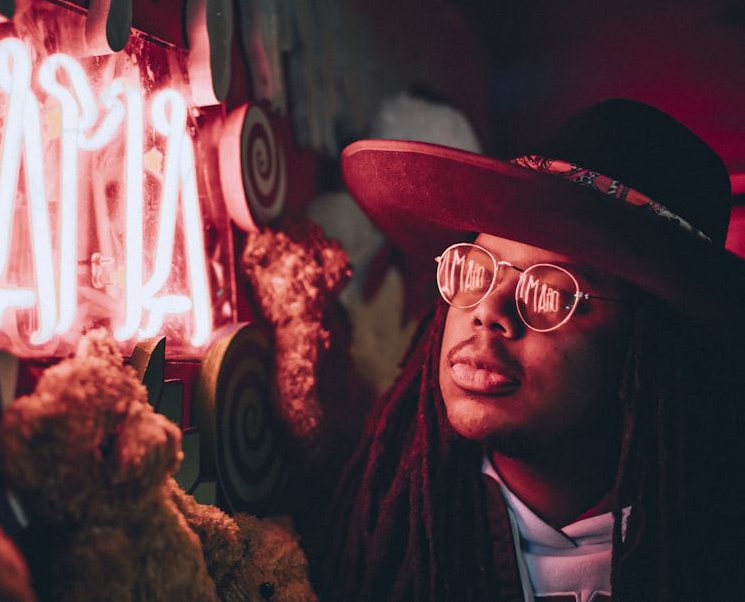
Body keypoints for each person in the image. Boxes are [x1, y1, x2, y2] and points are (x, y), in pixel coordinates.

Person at [308, 99, 745, 601]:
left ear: (648, 344)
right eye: (475, 269)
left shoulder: (718, 550)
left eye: (551, 293)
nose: (489, 312)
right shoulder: (383, 532)